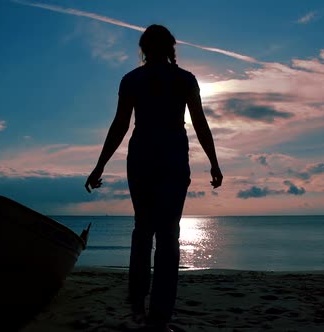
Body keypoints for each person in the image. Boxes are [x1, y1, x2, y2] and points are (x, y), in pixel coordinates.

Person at [85, 24, 222, 332]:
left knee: (143, 230)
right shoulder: (184, 79)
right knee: (168, 235)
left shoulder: (133, 79)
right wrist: (214, 163)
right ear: (171, 48)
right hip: (172, 157)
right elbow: (200, 123)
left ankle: (137, 303)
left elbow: (120, 125)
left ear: (144, 49)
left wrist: (99, 166)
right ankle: (159, 314)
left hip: (143, 157)